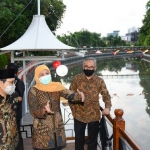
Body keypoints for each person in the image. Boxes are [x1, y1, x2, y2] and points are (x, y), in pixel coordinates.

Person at [28, 65, 84, 150]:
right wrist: (44, 110)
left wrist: (79, 96)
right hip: (42, 133)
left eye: (47, 73)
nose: (45, 76)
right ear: (37, 77)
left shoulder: (56, 87)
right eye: (41, 75)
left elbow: (69, 94)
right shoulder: (33, 90)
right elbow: (33, 111)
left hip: (58, 129)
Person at [69, 57, 112, 150]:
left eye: (91, 67)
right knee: (79, 142)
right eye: (86, 66)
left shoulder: (99, 81)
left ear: (95, 68)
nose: (88, 69)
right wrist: (74, 112)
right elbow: (69, 96)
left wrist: (107, 107)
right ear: (83, 66)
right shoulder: (76, 79)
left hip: (94, 115)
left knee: (93, 142)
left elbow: (106, 95)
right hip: (79, 115)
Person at [6, 63, 25, 150]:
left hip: (16, 113)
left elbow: (20, 98)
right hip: (7, 114)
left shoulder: (19, 82)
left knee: (16, 133)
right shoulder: (4, 82)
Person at [0, 68, 19, 149]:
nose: (13, 85)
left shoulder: (14, 96)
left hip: (13, 142)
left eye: (14, 82)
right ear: (1, 83)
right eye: (11, 82)